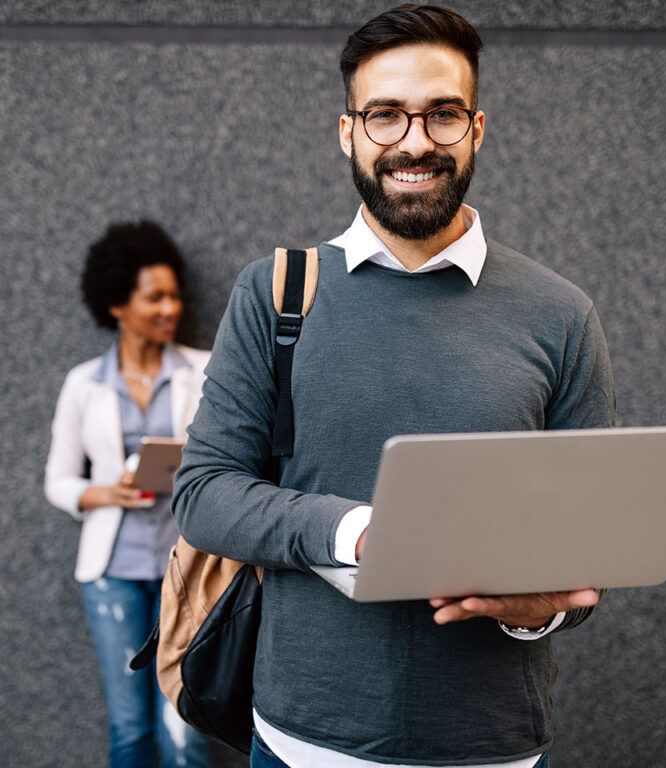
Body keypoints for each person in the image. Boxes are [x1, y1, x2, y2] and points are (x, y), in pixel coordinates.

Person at [173, 4, 616, 768]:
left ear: (477, 129)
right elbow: (205, 493)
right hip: (299, 740)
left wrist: (537, 614)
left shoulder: (562, 313)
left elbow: (590, 548)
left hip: (493, 747)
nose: (415, 141)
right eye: (385, 116)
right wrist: (360, 534)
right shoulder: (275, 293)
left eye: (442, 115)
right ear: (348, 131)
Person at [45, 220, 210, 768]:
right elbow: (59, 481)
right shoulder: (84, 385)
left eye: (174, 295)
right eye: (154, 297)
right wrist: (105, 493)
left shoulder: (205, 372)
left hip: (185, 573)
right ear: (117, 303)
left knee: (184, 734)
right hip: (112, 573)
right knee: (131, 733)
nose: (170, 308)